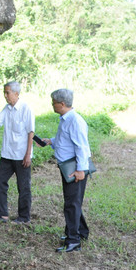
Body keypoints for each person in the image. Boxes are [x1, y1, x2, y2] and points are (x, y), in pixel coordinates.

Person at [0, 81, 35, 224]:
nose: (5, 96)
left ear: (16, 93)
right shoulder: (7, 108)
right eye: (4, 92)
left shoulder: (26, 109)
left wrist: (28, 154)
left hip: (21, 155)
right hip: (7, 154)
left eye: (7, 93)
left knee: (23, 187)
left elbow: (31, 133)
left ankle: (24, 217)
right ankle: (0, 213)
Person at [42, 88, 92, 252]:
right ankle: (81, 232)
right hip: (67, 166)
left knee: (71, 204)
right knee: (74, 201)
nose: (52, 105)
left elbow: (82, 147)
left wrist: (81, 170)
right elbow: (65, 139)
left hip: (74, 169)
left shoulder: (75, 121)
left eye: (53, 103)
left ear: (62, 104)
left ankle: (73, 240)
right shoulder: (66, 119)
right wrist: (51, 141)